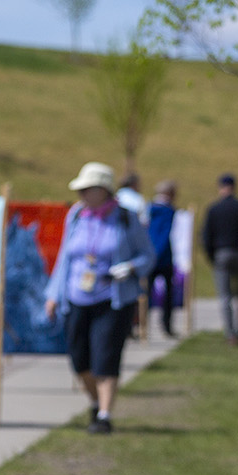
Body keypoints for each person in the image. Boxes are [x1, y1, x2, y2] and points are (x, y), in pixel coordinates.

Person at [43, 162, 155, 435]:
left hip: (113, 300)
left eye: (87, 190)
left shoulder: (126, 219)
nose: (82, 195)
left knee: (106, 357)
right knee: (79, 360)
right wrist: (53, 295)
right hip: (76, 297)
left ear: (103, 191)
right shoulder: (77, 216)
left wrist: (130, 268)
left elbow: (148, 255)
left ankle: (104, 414)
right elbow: (64, 258)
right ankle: (95, 401)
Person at [201, 172, 238, 346]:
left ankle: (231, 334)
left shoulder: (214, 209)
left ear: (220, 187)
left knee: (225, 296)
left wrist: (212, 257)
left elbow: (206, 237)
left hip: (222, 254)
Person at [145, 180, 179, 337]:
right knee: (167, 293)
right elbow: (165, 235)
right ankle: (166, 325)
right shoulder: (168, 211)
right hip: (163, 257)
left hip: (150, 255)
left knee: (146, 292)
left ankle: (141, 325)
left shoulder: (149, 208)